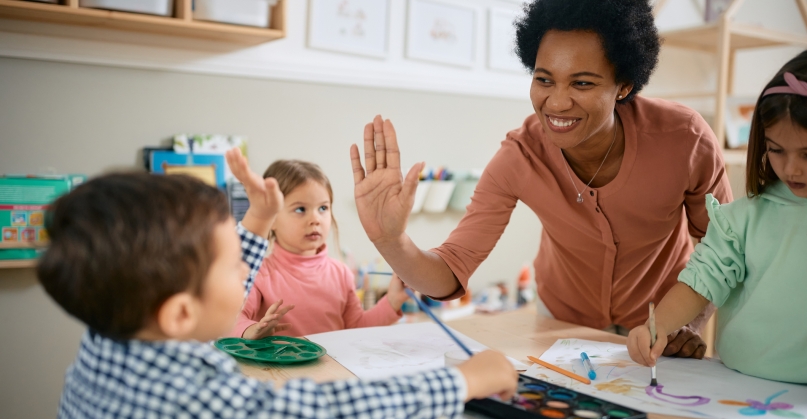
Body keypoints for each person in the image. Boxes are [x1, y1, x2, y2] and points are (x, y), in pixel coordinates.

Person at [42, 148, 518, 419]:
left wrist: (253, 223)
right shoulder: (189, 404)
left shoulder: (110, 341)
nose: (247, 268)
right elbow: (331, 418)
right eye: (234, 265)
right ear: (181, 313)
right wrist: (459, 382)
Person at [349, 0, 732, 358]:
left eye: (582, 83)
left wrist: (686, 325)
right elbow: (449, 273)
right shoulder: (521, 155)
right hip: (562, 323)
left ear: (624, 86)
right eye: (544, 79)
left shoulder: (684, 140)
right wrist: (391, 240)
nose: (557, 102)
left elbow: (724, 249)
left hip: (663, 323)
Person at [626, 52, 807, 383]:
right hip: (736, 384)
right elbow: (700, 283)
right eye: (777, 150)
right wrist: (657, 327)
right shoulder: (742, 219)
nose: (792, 169)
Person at [231, 159, 410, 339]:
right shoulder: (258, 273)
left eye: (323, 208)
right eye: (300, 209)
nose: (315, 219)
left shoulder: (341, 273)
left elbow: (356, 328)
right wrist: (251, 330)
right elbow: (234, 319)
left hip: (334, 367)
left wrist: (392, 301)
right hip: (281, 368)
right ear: (272, 218)